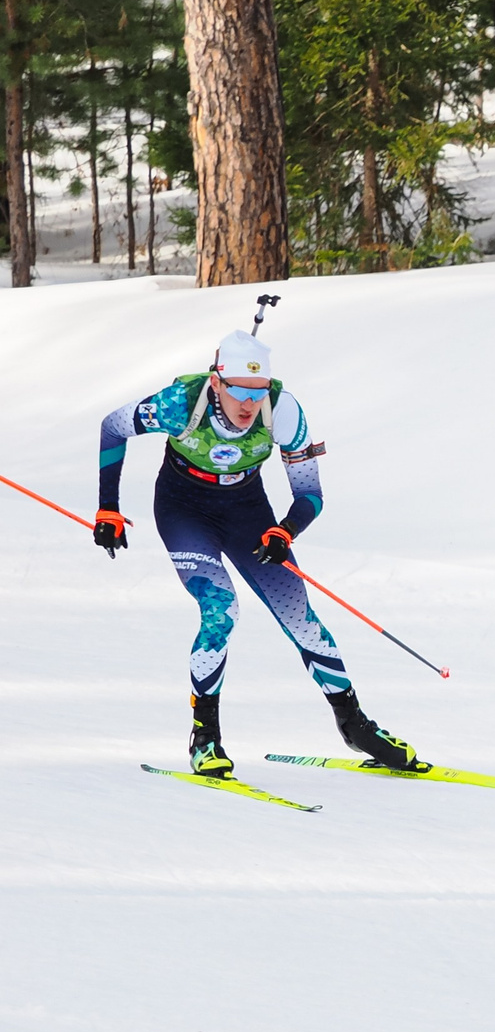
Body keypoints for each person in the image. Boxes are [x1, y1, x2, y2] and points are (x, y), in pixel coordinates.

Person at [92, 330, 426, 778]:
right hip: (183, 509)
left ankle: (354, 724)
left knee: (300, 617)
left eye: (258, 392)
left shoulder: (284, 411)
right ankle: (205, 736)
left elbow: (311, 494)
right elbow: (112, 426)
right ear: (216, 383)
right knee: (220, 610)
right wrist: (108, 508)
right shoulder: (179, 403)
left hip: (247, 511)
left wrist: (283, 531)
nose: (248, 405)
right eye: (238, 392)